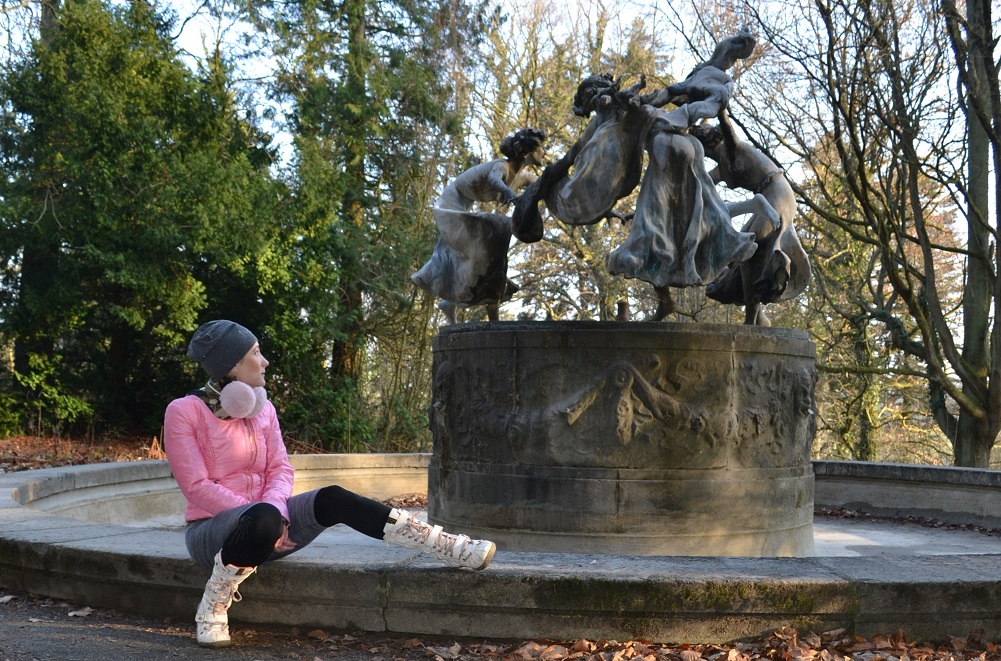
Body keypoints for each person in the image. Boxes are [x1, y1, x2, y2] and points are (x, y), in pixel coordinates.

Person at [164, 320, 496, 648]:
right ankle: (213, 605)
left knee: (332, 498)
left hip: (275, 525)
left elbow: (280, 469)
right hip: (213, 533)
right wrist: (264, 513)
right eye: (256, 352)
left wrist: (280, 515)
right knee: (263, 517)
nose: (264, 362)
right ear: (233, 365)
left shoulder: (263, 410)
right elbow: (196, 487)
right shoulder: (184, 411)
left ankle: (444, 545)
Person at [411, 128, 547, 323]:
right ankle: (478, 309)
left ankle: (454, 304)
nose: (545, 152)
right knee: (492, 244)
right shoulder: (502, 166)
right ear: (530, 151)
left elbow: (544, 184)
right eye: (541, 147)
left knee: (492, 253)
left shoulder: (523, 176)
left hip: (464, 208)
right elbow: (494, 179)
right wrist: (510, 193)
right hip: (449, 206)